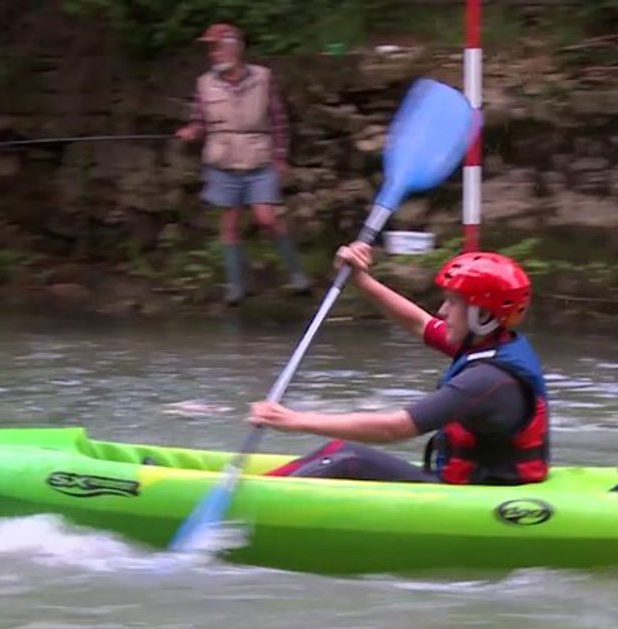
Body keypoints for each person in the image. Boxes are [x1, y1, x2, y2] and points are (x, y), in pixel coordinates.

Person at [248, 242, 551, 486]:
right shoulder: (491, 343)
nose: (443, 311)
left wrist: (295, 420)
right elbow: (419, 323)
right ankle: (259, 485)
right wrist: (362, 281)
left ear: (481, 315)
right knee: (339, 453)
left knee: (347, 457)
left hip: (476, 495)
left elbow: (396, 427)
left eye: (453, 302)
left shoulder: (486, 379)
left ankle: (250, 497)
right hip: (473, 481)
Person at [175, 23, 310, 306]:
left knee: (266, 218)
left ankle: (297, 275)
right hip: (222, 162)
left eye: (216, 47)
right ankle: (235, 288)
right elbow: (200, 121)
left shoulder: (263, 78)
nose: (213, 54)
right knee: (230, 223)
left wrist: (280, 156)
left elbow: (278, 120)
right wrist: (192, 131)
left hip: (259, 158)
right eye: (210, 49)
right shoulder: (204, 83)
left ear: (234, 48)